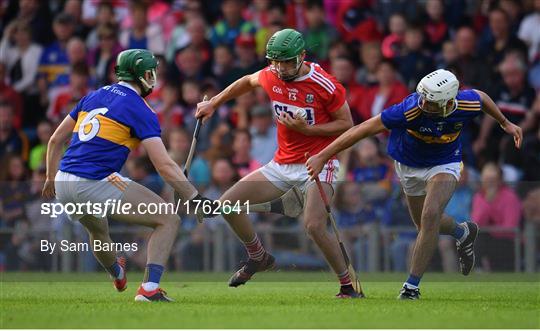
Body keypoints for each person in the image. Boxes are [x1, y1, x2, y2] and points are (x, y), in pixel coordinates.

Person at [306, 69, 523, 299]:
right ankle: (462, 232)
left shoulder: (465, 103)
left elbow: (482, 97)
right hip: (408, 166)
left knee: (430, 215)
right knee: (424, 224)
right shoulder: (409, 109)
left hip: (445, 162)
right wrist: (323, 155)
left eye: (430, 103)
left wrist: (504, 122)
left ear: (449, 102)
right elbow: (362, 129)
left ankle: (411, 287)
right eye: (423, 99)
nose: (424, 105)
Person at [196, 29, 359, 298]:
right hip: (281, 164)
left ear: (302, 57)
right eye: (276, 62)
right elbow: (248, 81)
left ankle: (347, 286)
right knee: (226, 204)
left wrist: (309, 130)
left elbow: (347, 125)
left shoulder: (325, 84)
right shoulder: (272, 73)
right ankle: (258, 257)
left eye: (287, 62)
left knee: (314, 226)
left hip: (319, 162)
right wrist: (214, 102)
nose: (281, 69)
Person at [42, 49, 213, 302]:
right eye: (150, 72)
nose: (153, 77)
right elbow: (164, 165)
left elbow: (56, 140)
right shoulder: (141, 109)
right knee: (168, 219)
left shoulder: (93, 95)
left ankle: (117, 272)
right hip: (95, 181)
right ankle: (149, 289)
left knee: (98, 232)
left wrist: (49, 178)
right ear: (141, 75)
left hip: (64, 180)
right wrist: (194, 196)